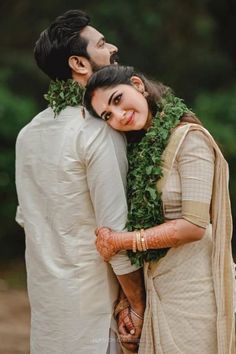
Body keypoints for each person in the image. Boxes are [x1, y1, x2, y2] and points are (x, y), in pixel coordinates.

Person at [15, 11, 145, 354]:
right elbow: (114, 231)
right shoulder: (97, 130)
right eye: (101, 44)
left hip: (48, 312)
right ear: (79, 63)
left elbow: (28, 220)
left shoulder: (28, 134)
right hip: (95, 313)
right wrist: (137, 304)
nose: (112, 48)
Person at [84, 65, 236, 354]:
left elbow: (193, 225)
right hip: (157, 288)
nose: (118, 115)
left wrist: (120, 242)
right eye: (107, 115)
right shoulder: (137, 153)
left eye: (117, 100)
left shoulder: (190, 139)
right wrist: (128, 303)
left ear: (138, 84)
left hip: (195, 292)